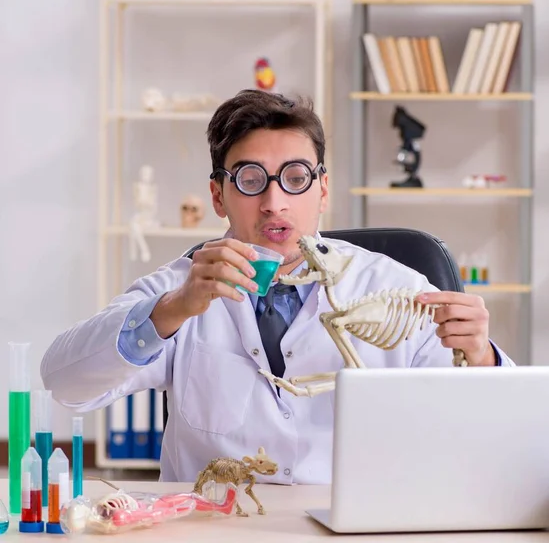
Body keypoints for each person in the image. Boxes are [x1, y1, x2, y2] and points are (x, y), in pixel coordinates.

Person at [41, 89, 514, 485]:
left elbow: (495, 431)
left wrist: (482, 358)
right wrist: (173, 310)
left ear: (323, 190)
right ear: (218, 196)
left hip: (352, 528)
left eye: (295, 178)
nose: (274, 202)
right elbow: (64, 382)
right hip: (213, 528)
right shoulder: (179, 289)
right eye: (250, 180)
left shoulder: (396, 288)